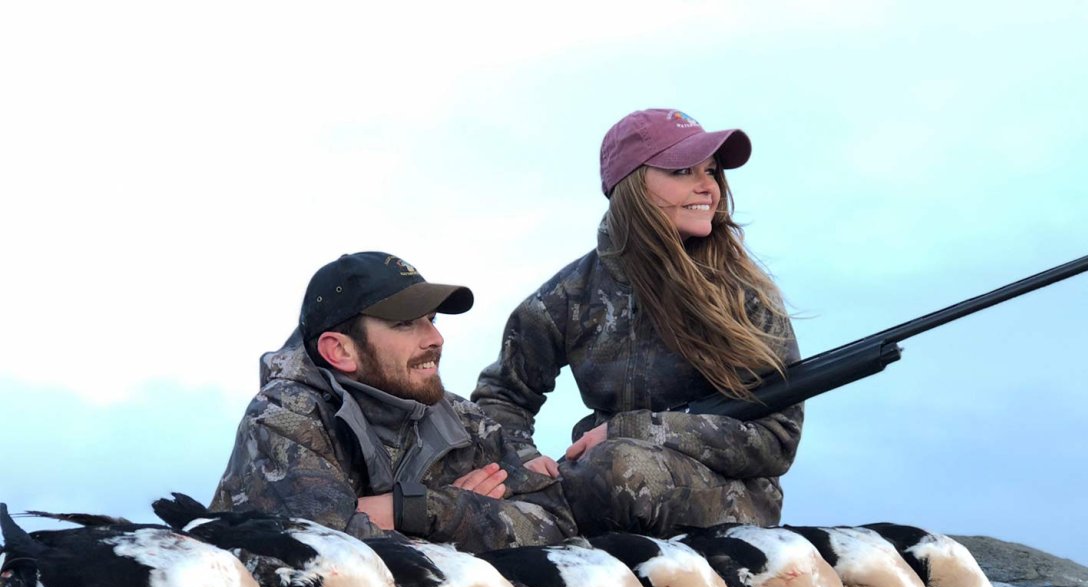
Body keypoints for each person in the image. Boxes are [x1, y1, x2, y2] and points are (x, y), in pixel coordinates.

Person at [471, 108, 804, 537]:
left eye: (712, 171)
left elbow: (777, 438)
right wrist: (522, 459)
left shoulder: (746, 296)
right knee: (479, 502)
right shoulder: (566, 296)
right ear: (630, 186)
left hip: (726, 496)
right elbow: (500, 397)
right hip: (595, 483)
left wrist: (637, 429)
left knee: (619, 468)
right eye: (683, 170)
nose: (708, 187)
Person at [211, 251, 578, 552]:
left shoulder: (464, 420)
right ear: (339, 350)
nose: (435, 338)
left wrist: (422, 509)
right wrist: (479, 522)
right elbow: (326, 551)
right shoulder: (283, 418)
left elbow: (558, 526)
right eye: (405, 324)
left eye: (432, 320)